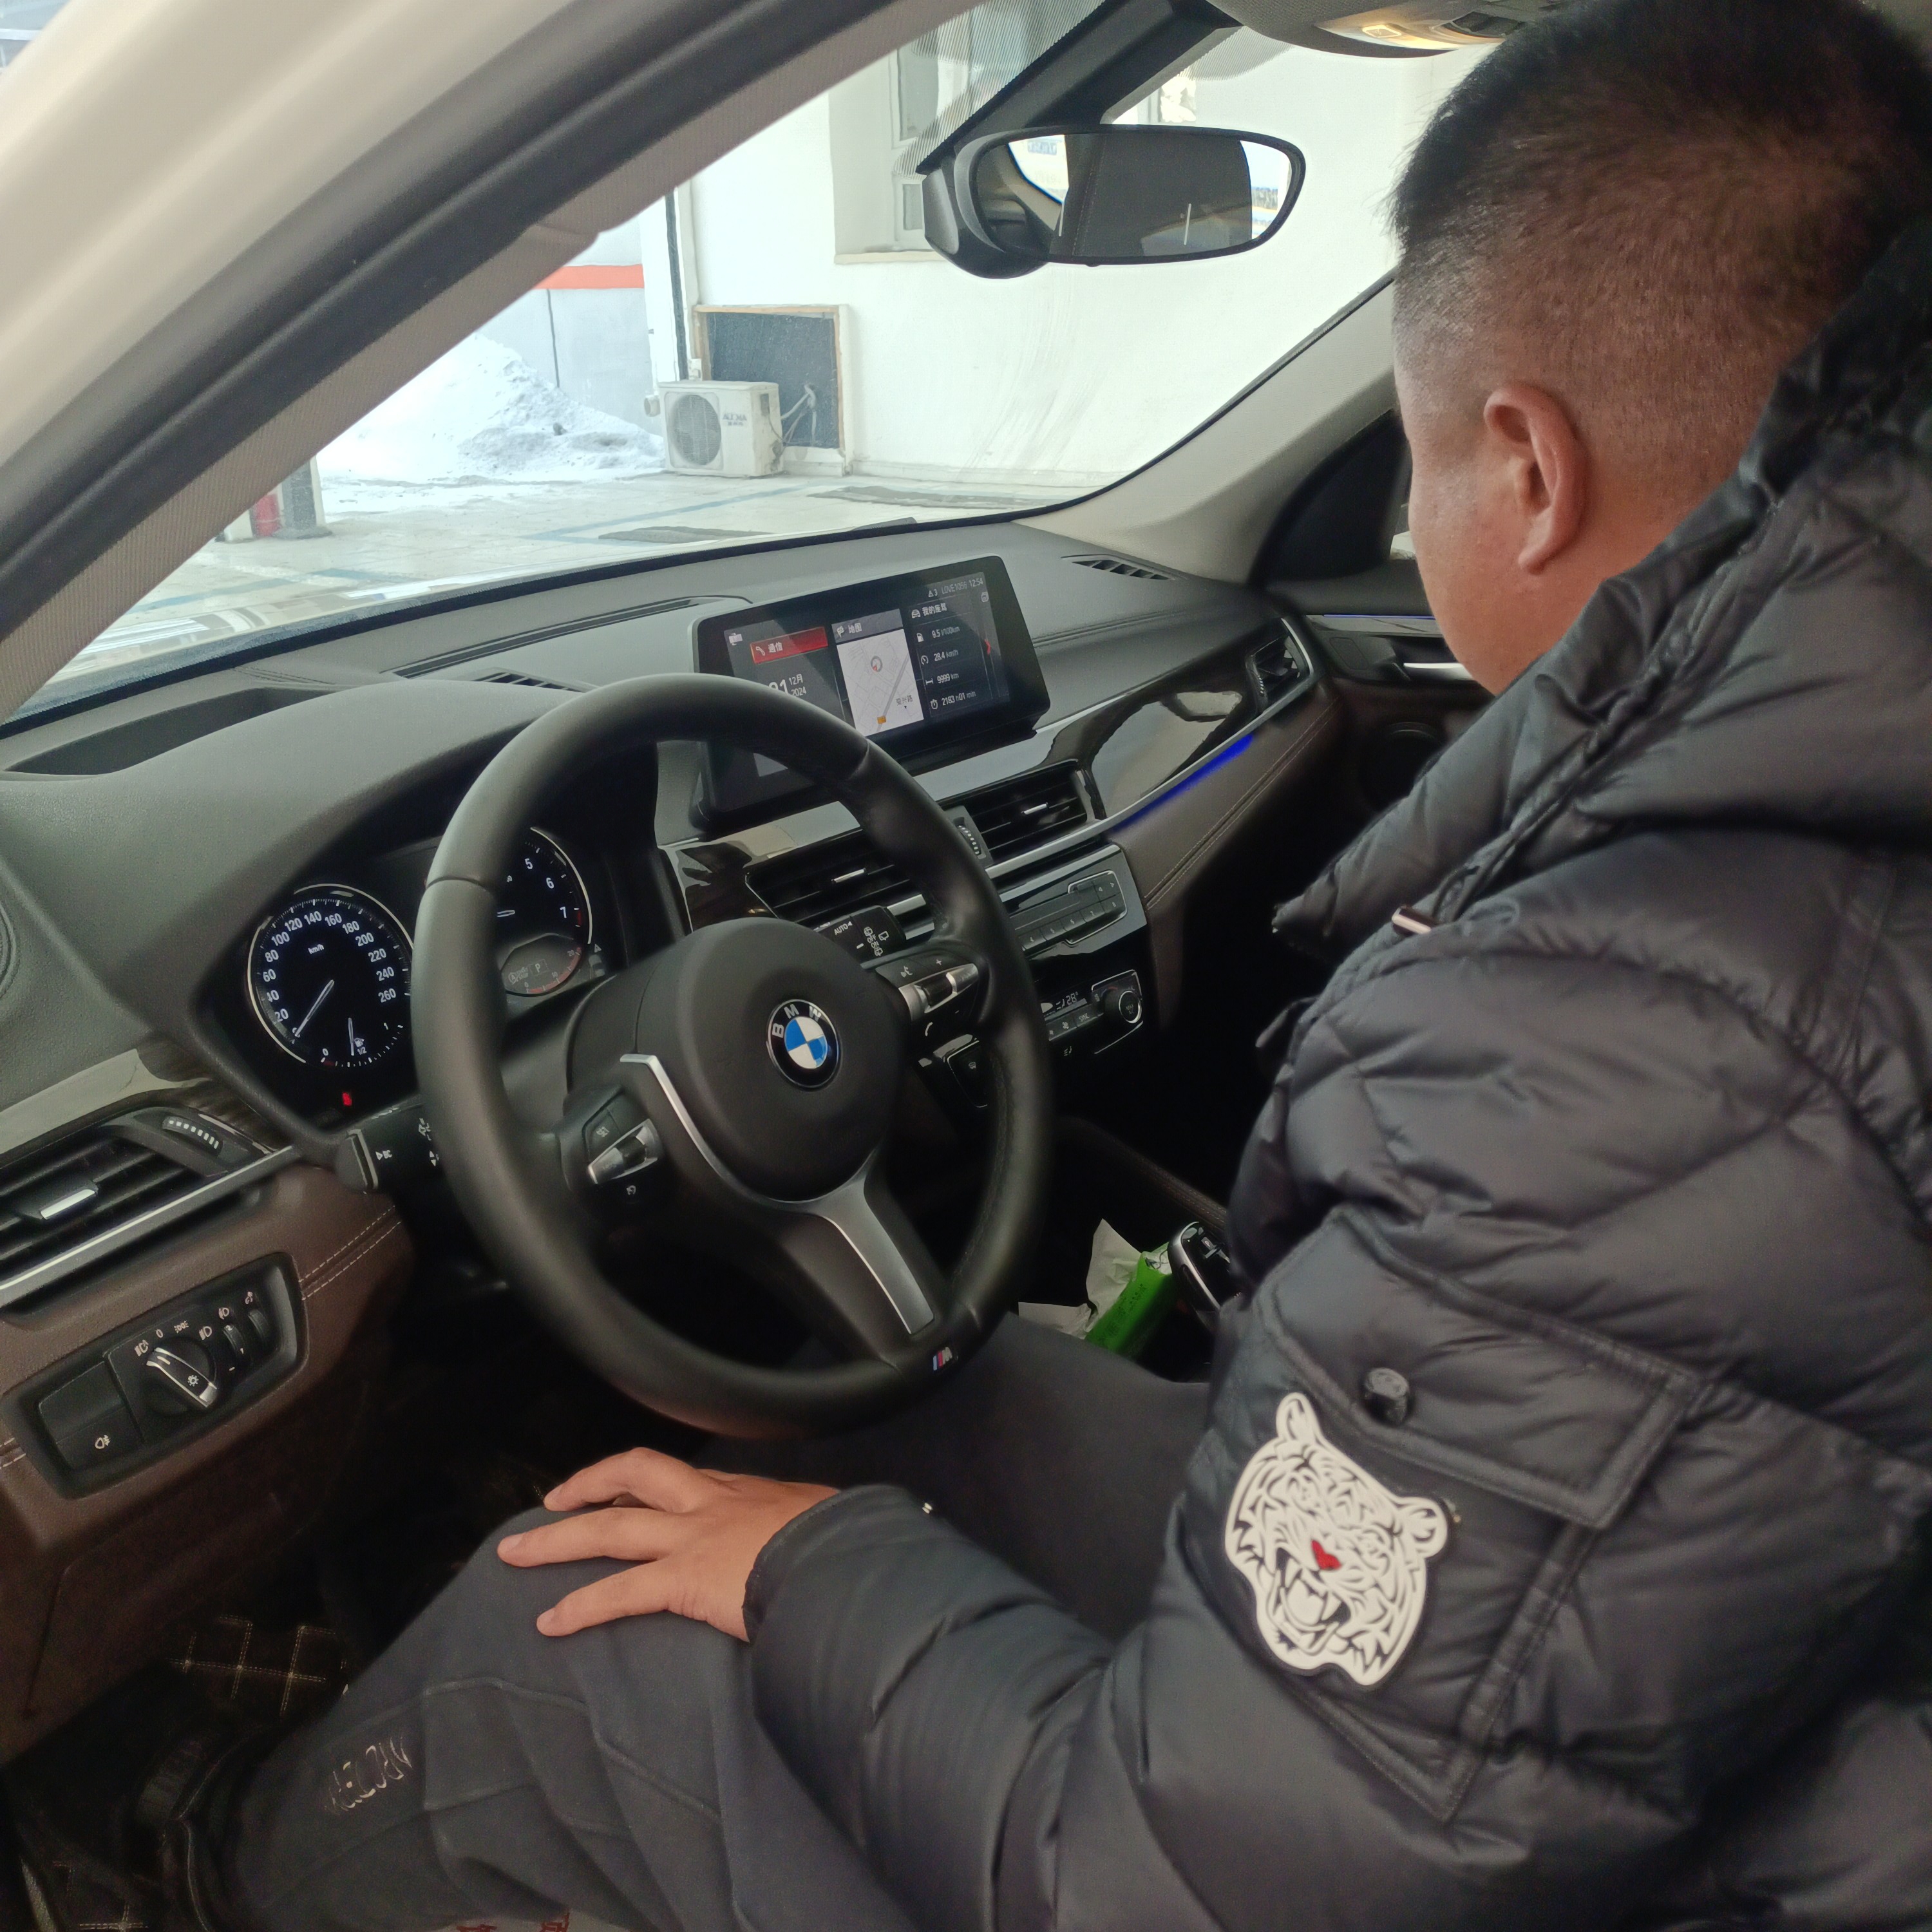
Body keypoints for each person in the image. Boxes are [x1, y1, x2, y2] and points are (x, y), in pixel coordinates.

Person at [56, 0, 1932, 1924]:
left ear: (1527, 471)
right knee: (925, 1397)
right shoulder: (1777, 863)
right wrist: (836, 1526)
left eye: (1416, 461)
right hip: (1721, 1727)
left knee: (568, 1651)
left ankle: (214, 1864)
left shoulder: (1634, 1062)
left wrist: (803, 1573)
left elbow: (1175, 1890)